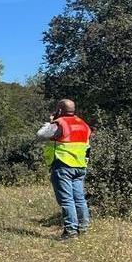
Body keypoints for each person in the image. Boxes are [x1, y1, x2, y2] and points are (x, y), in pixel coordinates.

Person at [37, 98, 91, 240]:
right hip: (80, 166)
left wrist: (50, 122)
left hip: (63, 165)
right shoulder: (84, 124)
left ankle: (71, 232)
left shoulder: (60, 124)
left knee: (67, 200)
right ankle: (83, 228)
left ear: (60, 110)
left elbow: (41, 135)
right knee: (79, 198)